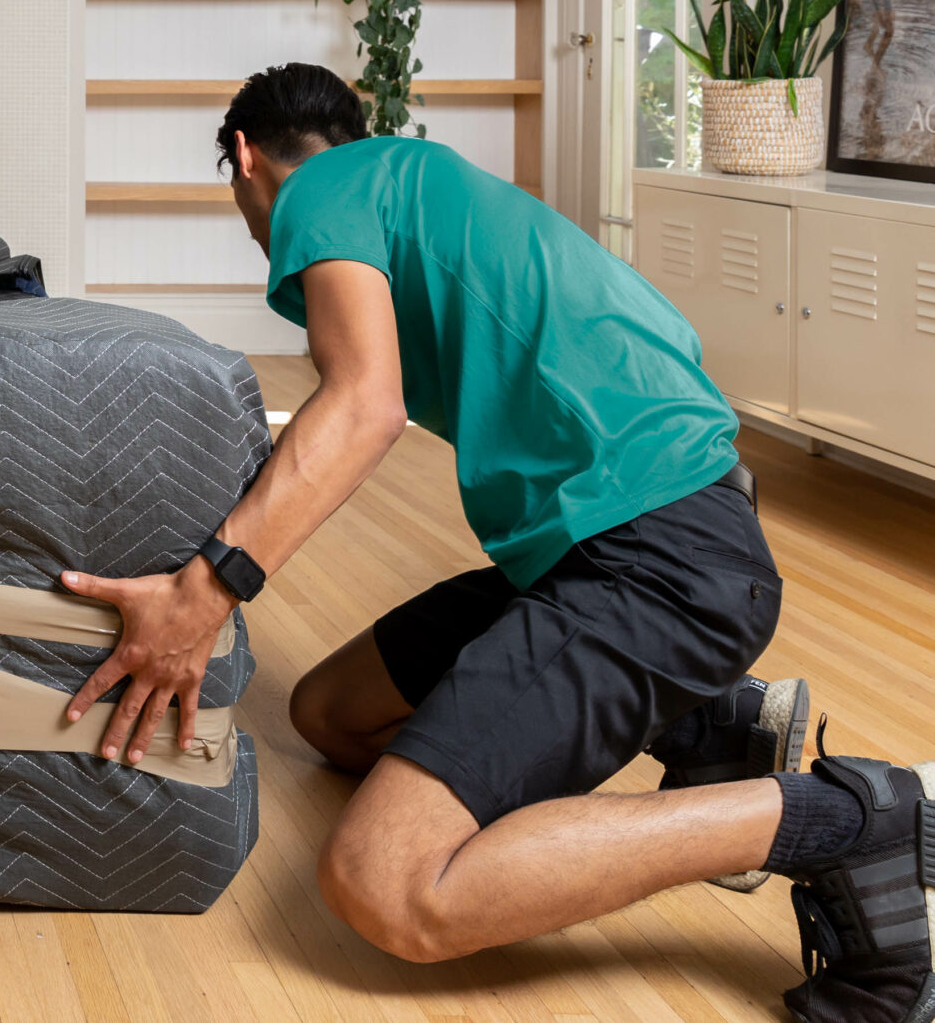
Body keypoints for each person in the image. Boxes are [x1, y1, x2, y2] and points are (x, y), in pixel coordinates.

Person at [57, 62, 932, 1023]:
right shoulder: (417, 185)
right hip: (625, 541)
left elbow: (363, 405)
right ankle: (712, 724)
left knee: (386, 882)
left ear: (245, 157)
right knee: (330, 714)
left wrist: (204, 591)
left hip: (661, 557)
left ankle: (854, 821)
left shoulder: (320, 191)